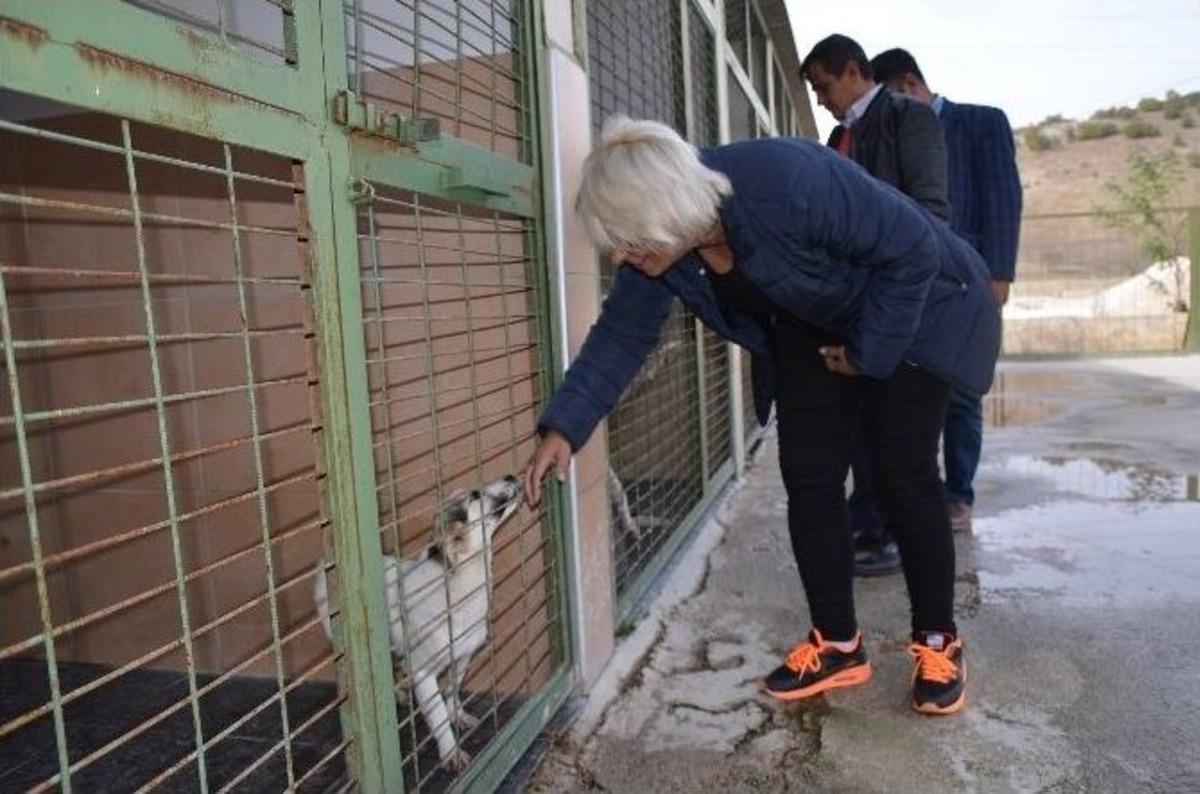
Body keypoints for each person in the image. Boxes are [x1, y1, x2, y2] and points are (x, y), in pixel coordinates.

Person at [523, 116, 1000, 715]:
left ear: (667, 206)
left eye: (628, 236)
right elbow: (620, 334)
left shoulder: (787, 178)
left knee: (901, 473)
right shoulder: (662, 255)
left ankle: (938, 641)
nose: (622, 252)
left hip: (918, 308)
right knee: (808, 476)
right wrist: (564, 426)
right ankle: (837, 645)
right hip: (811, 327)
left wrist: (865, 354)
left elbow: (914, 250)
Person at [801, 33, 950, 575]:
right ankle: (868, 522)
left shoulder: (908, 119)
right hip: (853, 302)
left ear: (852, 71)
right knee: (862, 420)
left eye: (822, 86)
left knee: (902, 435)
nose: (821, 100)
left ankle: (891, 533)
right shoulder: (840, 136)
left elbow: (931, 214)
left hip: (901, 298)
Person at [871, 47, 1023, 533]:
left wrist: (998, 275)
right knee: (913, 391)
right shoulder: (891, 133)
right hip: (914, 283)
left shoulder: (981, 123)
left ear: (911, 85)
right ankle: (920, 491)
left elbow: (1003, 197)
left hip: (970, 281)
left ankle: (958, 496)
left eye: (891, 97)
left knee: (961, 394)